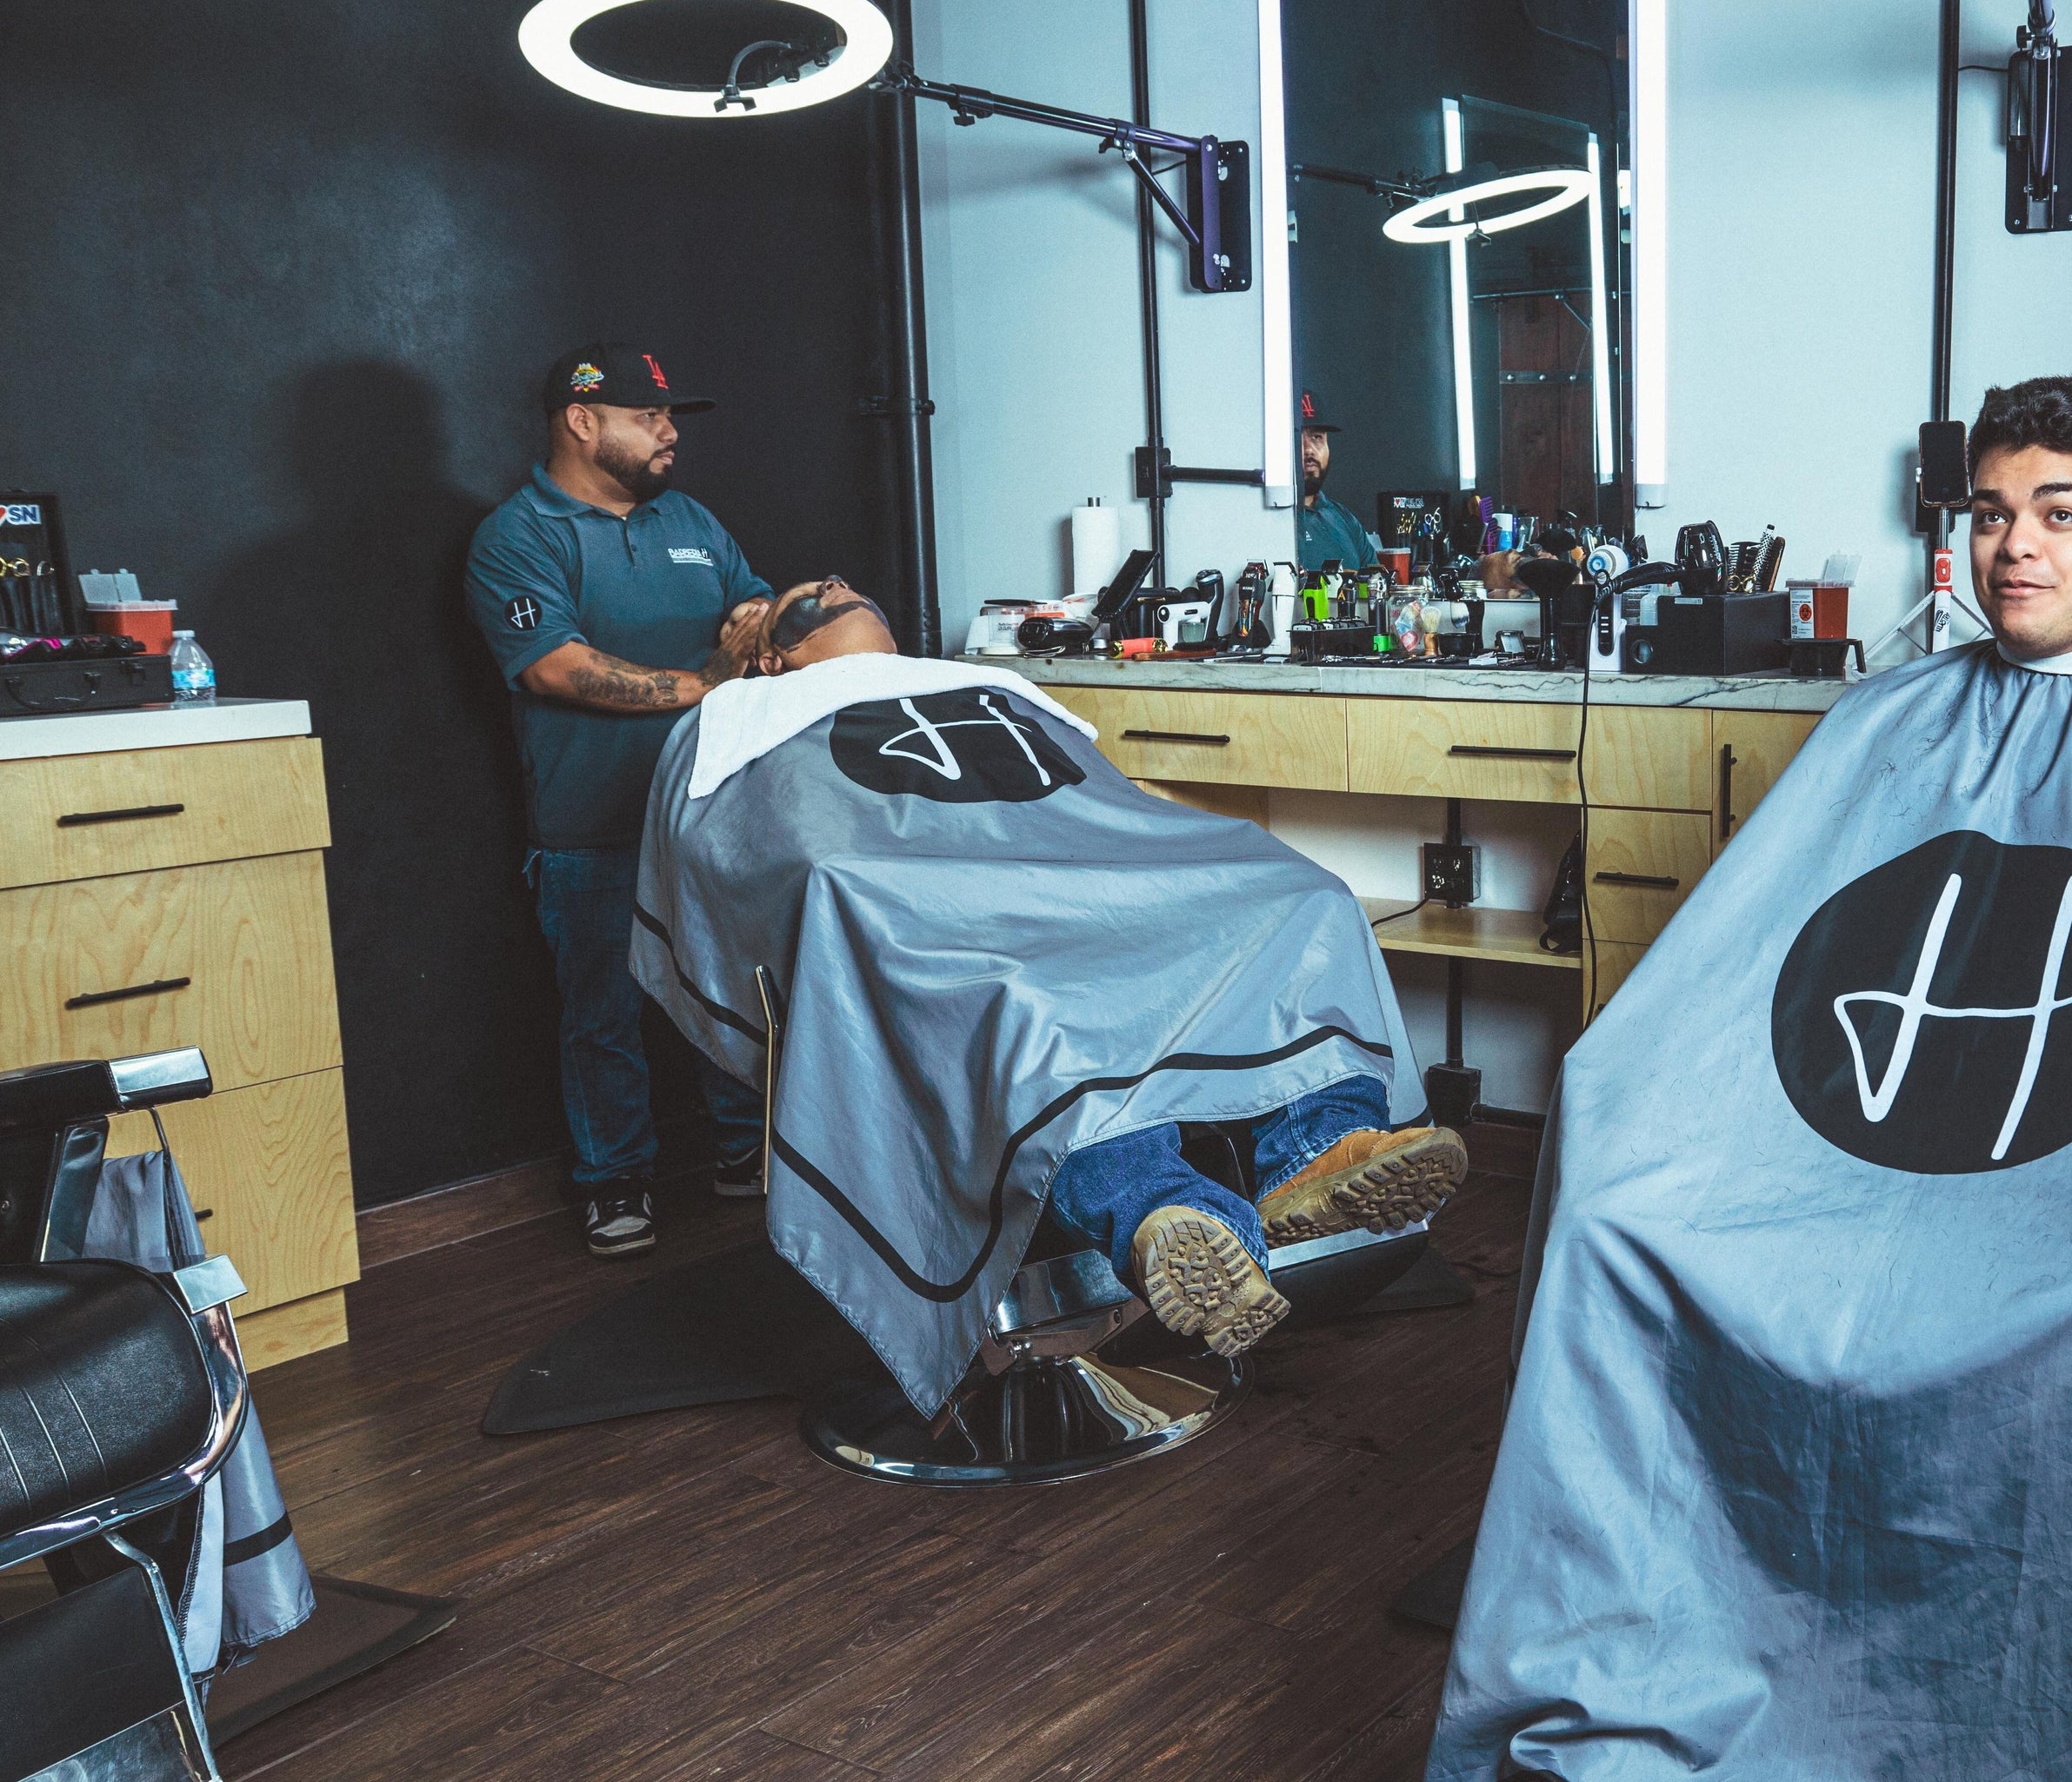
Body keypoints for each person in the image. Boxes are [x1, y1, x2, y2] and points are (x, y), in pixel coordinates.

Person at [1431, 377, 2072, 1779]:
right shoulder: (1880, 727)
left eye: (2060, 515)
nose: (2017, 547)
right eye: (1992, 515)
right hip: (1834, 1168)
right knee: (1614, 1215)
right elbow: (1721, 991)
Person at [632, 576, 1463, 1390]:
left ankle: (1317, 1152)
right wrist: (870, 891)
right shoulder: (741, 723)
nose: (829, 580)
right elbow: (751, 863)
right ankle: (1162, 1210)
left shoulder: (981, 684)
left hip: (1094, 869)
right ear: (770, 659)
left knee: (1300, 898)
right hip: (937, 904)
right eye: (793, 600)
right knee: (1025, 998)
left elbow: (1099, 797)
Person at [467, 342, 775, 1260]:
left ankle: (741, 1152)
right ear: (583, 420)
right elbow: (557, 666)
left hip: (710, 815)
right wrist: (704, 685)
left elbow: (754, 603)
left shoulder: (689, 520)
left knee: (729, 995)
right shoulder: (520, 536)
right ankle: (616, 1183)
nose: (669, 432)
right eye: (651, 416)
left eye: (671, 415)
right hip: (588, 828)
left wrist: (753, 622)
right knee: (602, 1015)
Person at [1292, 389, 1378, 569]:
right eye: (1297, 438)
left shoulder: (1343, 518)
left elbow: (1375, 587)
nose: (1308, 450)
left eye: (1317, 437)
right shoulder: (1270, 521)